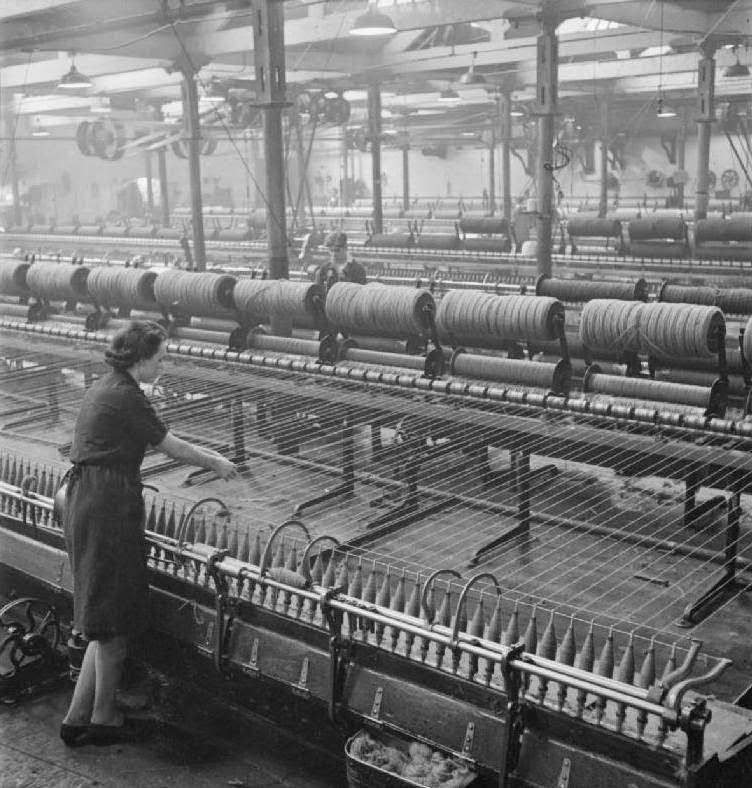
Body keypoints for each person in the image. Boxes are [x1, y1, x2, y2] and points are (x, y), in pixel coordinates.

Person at [60, 321, 238, 747]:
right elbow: (171, 446)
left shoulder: (107, 385)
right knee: (114, 623)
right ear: (139, 358)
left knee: (101, 620)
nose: (164, 365)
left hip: (86, 496)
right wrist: (215, 461)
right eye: (160, 358)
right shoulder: (126, 396)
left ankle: (76, 718)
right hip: (105, 504)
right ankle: (104, 720)